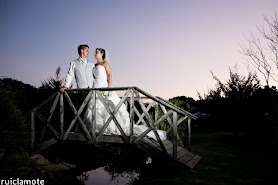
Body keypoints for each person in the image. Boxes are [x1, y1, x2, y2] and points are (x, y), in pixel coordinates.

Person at [84, 48, 166, 141]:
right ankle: (94, 128)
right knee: (94, 107)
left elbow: (110, 75)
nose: (94, 53)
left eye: (97, 52)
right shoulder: (95, 65)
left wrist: (108, 89)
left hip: (104, 87)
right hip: (95, 87)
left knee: (108, 108)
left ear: (102, 54)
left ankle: (109, 128)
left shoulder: (105, 64)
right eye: (95, 52)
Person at [60, 45, 95, 132]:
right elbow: (70, 75)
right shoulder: (74, 63)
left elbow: (95, 76)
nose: (88, 52)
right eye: (87, 50)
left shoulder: (92, 64)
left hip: (93, 90)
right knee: (81, 111)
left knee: (93, 111)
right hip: (82, 90)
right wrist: (66, 86)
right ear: (82, 51)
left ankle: (92, 130)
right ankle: (79, 130)